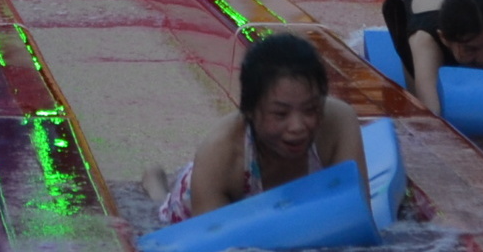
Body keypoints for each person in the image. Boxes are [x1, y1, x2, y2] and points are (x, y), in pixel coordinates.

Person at [143, 33, 369, 223]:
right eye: (280, 114)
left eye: (310, 110)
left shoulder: (338, 121)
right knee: (163, 213)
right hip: (194, 198)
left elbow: (356, 214)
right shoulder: (220, 153)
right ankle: (156, 187)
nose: (298, 126)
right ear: (249, 110)